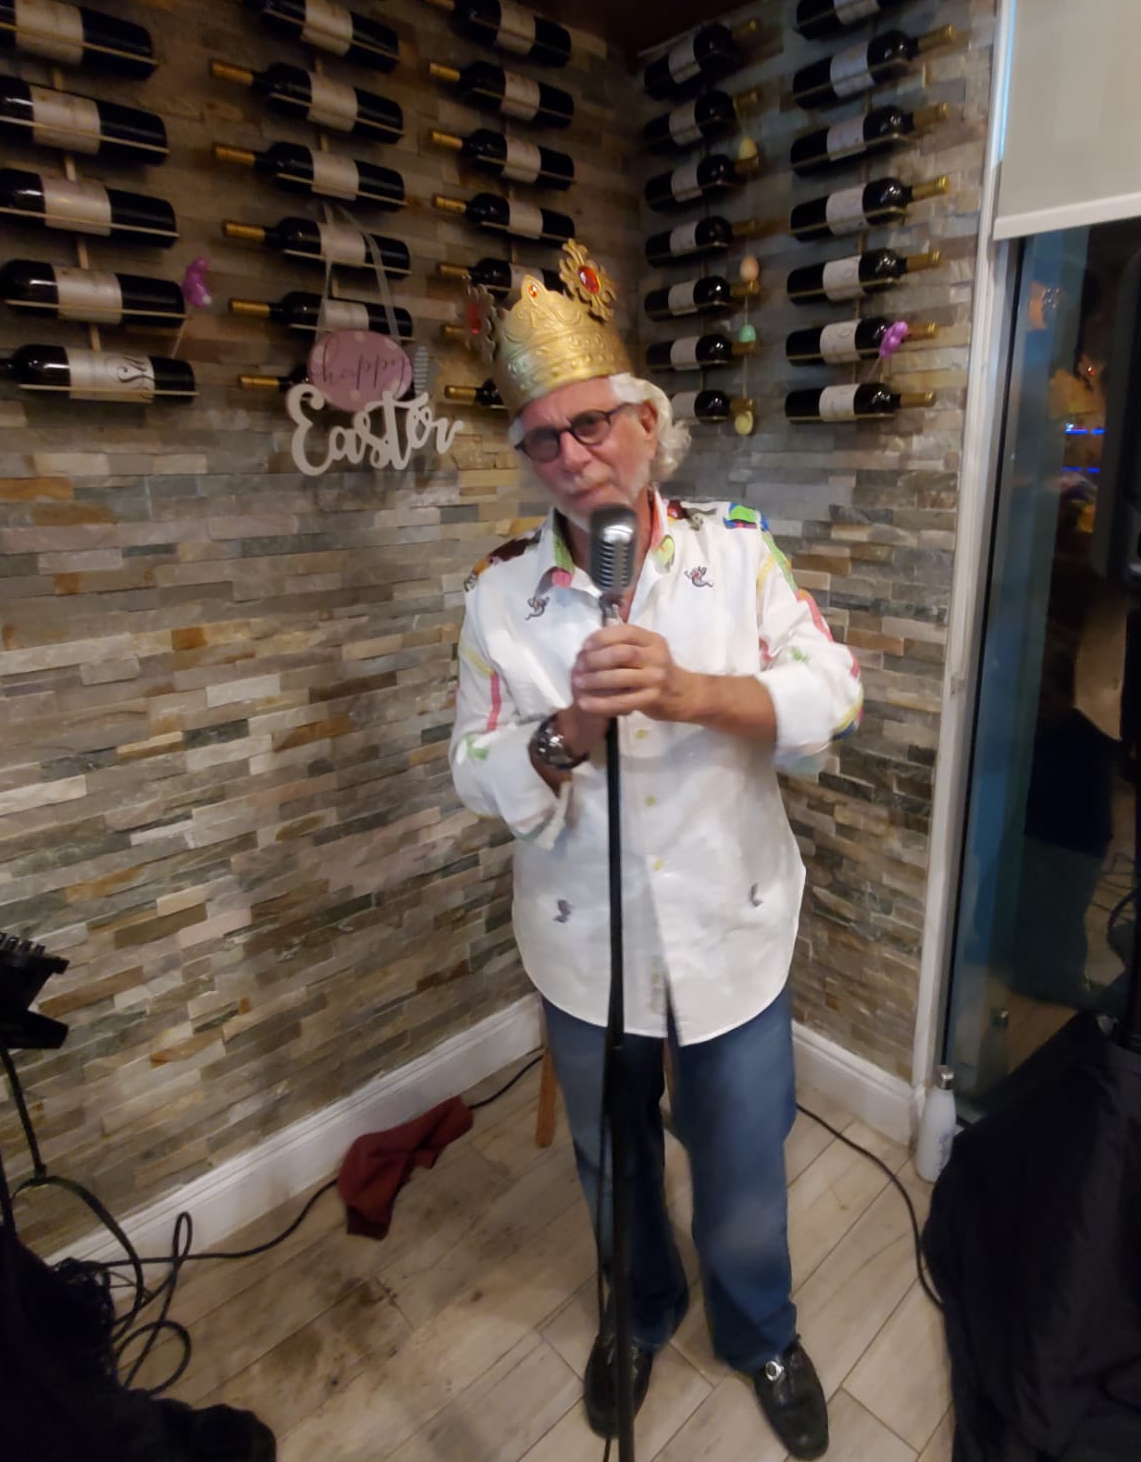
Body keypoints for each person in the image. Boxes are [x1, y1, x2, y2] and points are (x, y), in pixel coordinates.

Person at [449, 242, 862, 1459]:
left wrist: (695, 694)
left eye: (591, 425)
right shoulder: (500, 597)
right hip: (583, 942)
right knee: (610, 1158)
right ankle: (637, 1311)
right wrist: (565, 733)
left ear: (646, 424)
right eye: (543, 440)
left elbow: (832, 690)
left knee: (741, 1158)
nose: (572, 456)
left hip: (734, 925)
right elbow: (471, 768)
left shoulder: (739, 555)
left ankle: (760, 1329)